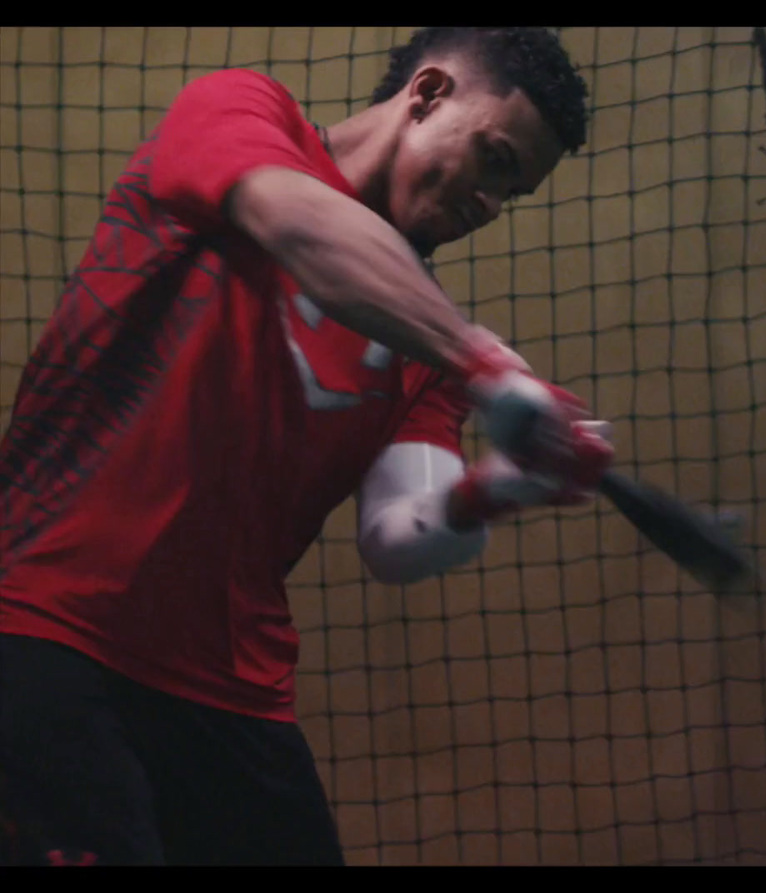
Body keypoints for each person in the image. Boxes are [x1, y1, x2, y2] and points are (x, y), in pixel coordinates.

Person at [0, 27, 611, 866]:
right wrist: (491, 367)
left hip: (234, 691)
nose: (492, 204)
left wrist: (499, 486)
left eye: (516, 190)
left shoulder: (427, 342)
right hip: (47, 630)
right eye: (495, 160)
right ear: (427, 95)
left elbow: (397, 539)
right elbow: (294, 218)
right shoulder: (243, 113)